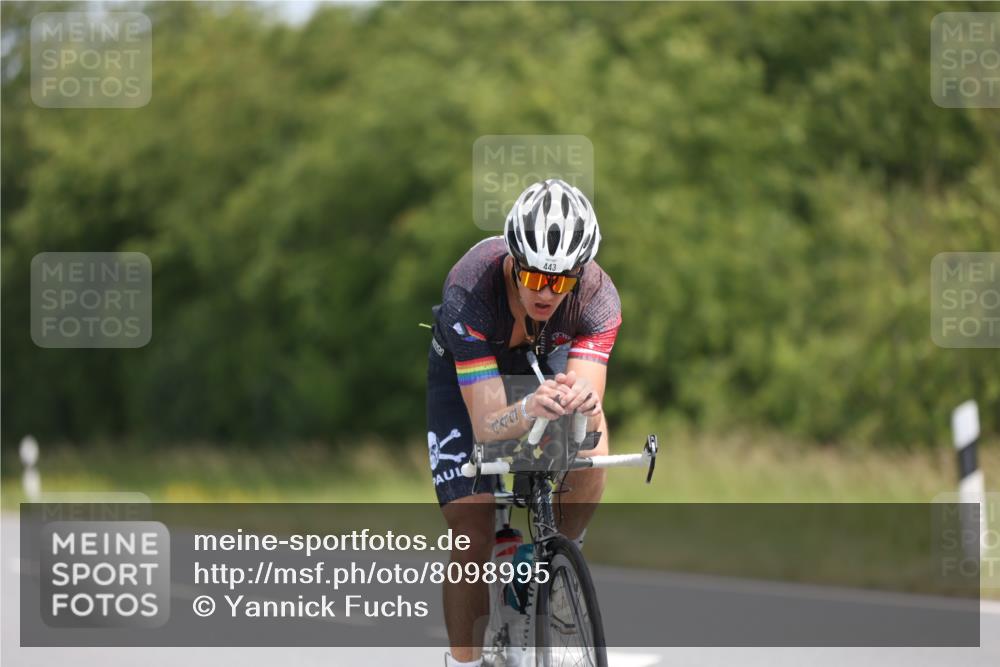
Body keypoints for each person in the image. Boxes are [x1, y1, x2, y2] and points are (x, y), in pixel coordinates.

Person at [426, 178, 622, 667]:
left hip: (547, 352)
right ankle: (464, 661)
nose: (546, 292)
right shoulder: (469, 292)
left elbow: (588, 403)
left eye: (560, 281)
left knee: (586, 429)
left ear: (580, 273)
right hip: (469, 368)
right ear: (513, 263)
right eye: (535, 278)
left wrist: (578, 404)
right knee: (472, 528)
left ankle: (558, 567)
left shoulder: (597, 299)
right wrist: (530, 407)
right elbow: (489, 423)